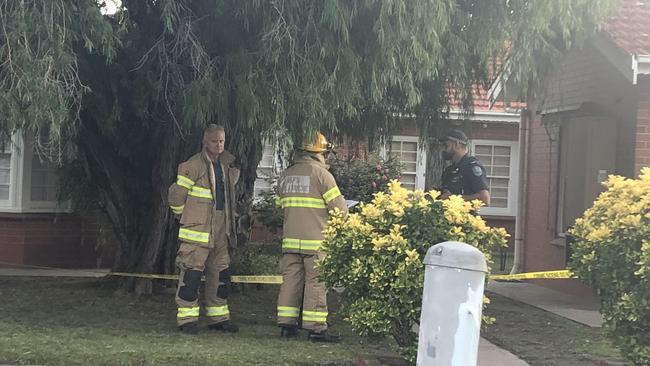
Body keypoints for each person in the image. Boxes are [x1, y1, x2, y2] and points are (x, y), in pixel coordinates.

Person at [167, 124, 240, 335]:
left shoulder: (226, 165)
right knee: (191, 276)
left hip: (221, 230)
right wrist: (186, 217)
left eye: (222, 141)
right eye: (214, 141)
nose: (219, 145)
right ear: (205, 142)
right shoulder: (192, 166)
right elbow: (176, 196)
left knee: (221, 275)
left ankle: (218, 318)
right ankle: (187, 320)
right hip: (197, 231)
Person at [275, 132, 348, 342]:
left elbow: (280, 206)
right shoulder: (322, 175)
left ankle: (286, 326)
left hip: (290, 240)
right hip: (316, 241)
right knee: (316, 282)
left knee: (290, 282)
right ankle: (316, 328)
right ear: (319, 153)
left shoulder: (287, 175)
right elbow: (340, 211)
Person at [439, 130, 491, 205]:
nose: (443, 150)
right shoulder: (449, 170)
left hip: (466, 215)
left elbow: (484, 198)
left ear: (456, 144)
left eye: (446, 146)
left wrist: (452, 198)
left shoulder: (471, 167)